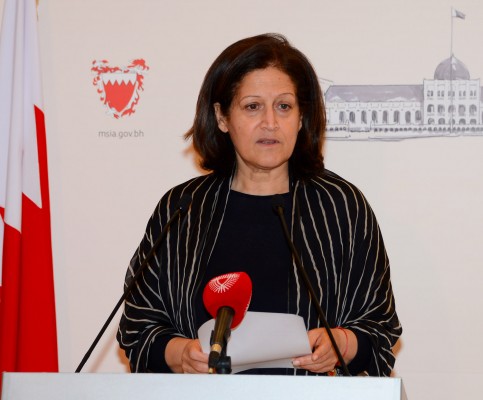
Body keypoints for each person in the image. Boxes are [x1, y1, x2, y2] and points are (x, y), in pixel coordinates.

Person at [117, 33, 402, 376]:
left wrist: (341, 343)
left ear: (301, 117)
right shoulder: (183, 209)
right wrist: (181, 354)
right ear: (222, 117)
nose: (270, 122)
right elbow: (138, 327)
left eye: (284, 106)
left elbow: (379, 328)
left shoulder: (340, 206)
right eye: (252, 106)